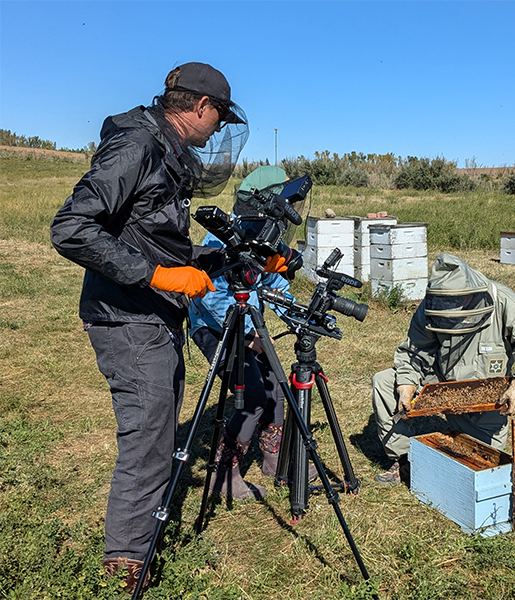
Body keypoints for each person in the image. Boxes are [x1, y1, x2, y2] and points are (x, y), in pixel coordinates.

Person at [50, 62, 285, 592]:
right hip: (128, 316)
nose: (219, 130)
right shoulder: (137, 147)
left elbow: (162, 245)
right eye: (219, 118)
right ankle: (126, 564)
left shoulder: (165, 154)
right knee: (150, 437)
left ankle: (133, 546)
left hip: (152, 315)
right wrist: (155, 274)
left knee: (156, 429)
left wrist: (238, 261)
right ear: (201, 107)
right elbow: (70, 228)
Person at [372, 253, 515, 485]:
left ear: (471, 296)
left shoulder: (502, 300)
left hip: (487, 399)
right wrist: (406, 383)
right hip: (441, 380)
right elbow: (414, 351)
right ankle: (406, 458)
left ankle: (459, 438)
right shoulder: (431, 306)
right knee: (385, 381)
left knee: (481, 464)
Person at [189, 166, 290, 500]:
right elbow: (213, 299)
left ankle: (273, 460)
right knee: (254, 398)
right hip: (213, 328)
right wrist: (249, 339)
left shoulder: (263, 234)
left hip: (248, 326)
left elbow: (274, 283)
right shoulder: (222, 237)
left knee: (278, 383)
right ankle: (224, 474)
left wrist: (299, 316)